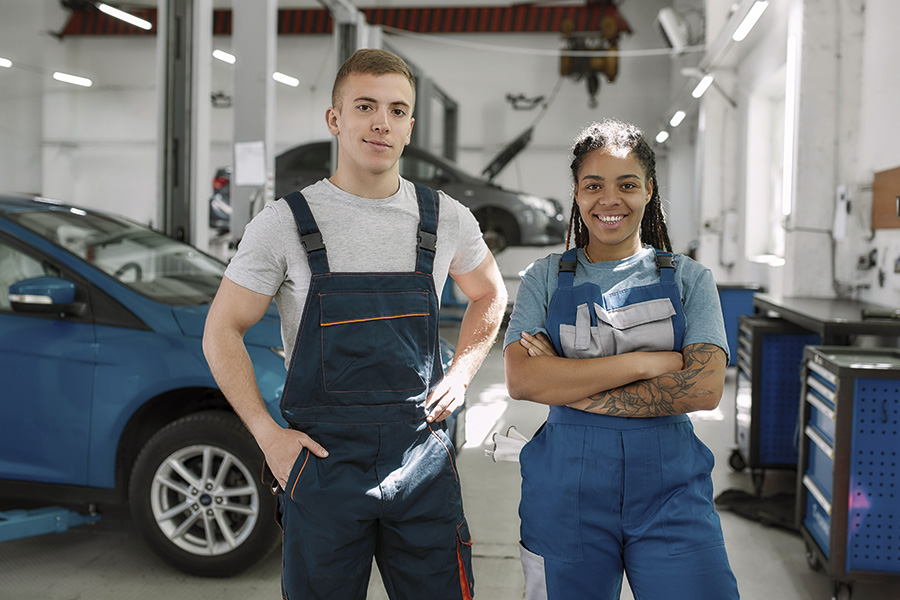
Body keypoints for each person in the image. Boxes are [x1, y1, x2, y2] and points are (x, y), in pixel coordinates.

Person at [203, 48, 507, 600]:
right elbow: (220, 330)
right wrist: (268, 437)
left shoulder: (445, 219)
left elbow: (490, 293)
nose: (380, 123)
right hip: (321, 467)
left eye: (396, 110)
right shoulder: (283, 224)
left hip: (420, 460)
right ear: (335, 119)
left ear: (410, 126)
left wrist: (462, 375)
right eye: (365, 106)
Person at [503, 118, 740, 599]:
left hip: (672, 495)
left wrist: (570, 384)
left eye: (627, 184)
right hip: (564, 497)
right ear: (576, 192)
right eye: (594, 185)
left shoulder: (691, 279)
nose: (609, 200)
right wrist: (651, 362)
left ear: (649, 190)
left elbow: (702, 388)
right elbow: (524, 379)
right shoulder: (543, 279)